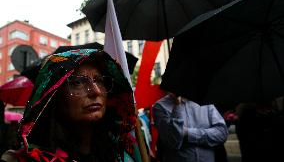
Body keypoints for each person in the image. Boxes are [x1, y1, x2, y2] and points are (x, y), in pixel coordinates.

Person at [1, 49, 140, 162]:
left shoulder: (122, 155)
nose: (96, 91)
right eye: (77, 83)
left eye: (99, 80)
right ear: (53, 96)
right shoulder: (20, 159)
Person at [153, 93, 228, 162]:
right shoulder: (160, 106)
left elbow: (222, 133)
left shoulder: (205, 102)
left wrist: (187, 133)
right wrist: (177, 106)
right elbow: (173, 142)